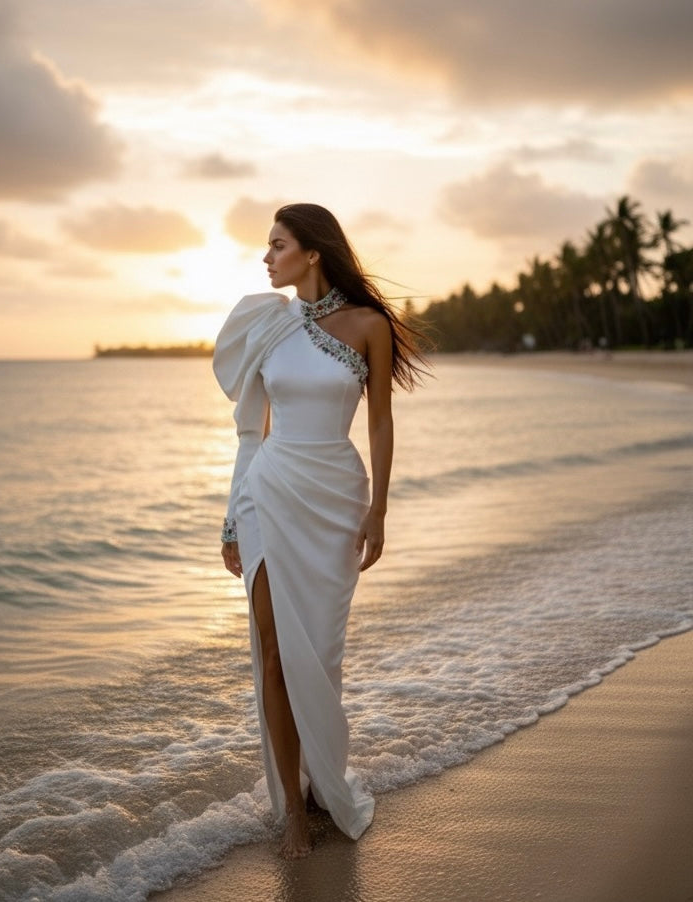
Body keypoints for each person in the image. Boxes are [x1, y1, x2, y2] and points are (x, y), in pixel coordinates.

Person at [213, 203, 424, 858]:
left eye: (277, 245)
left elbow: (382, 423)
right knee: (275, 653)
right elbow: (255, 431)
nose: (266, 257)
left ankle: (318, 784)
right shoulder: (268, 327)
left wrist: (380, 509)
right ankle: (294, 817)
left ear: (312, 252)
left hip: (335, 499)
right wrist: (230, 516)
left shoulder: (368, 326)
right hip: (267, 495)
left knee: (321, 655)